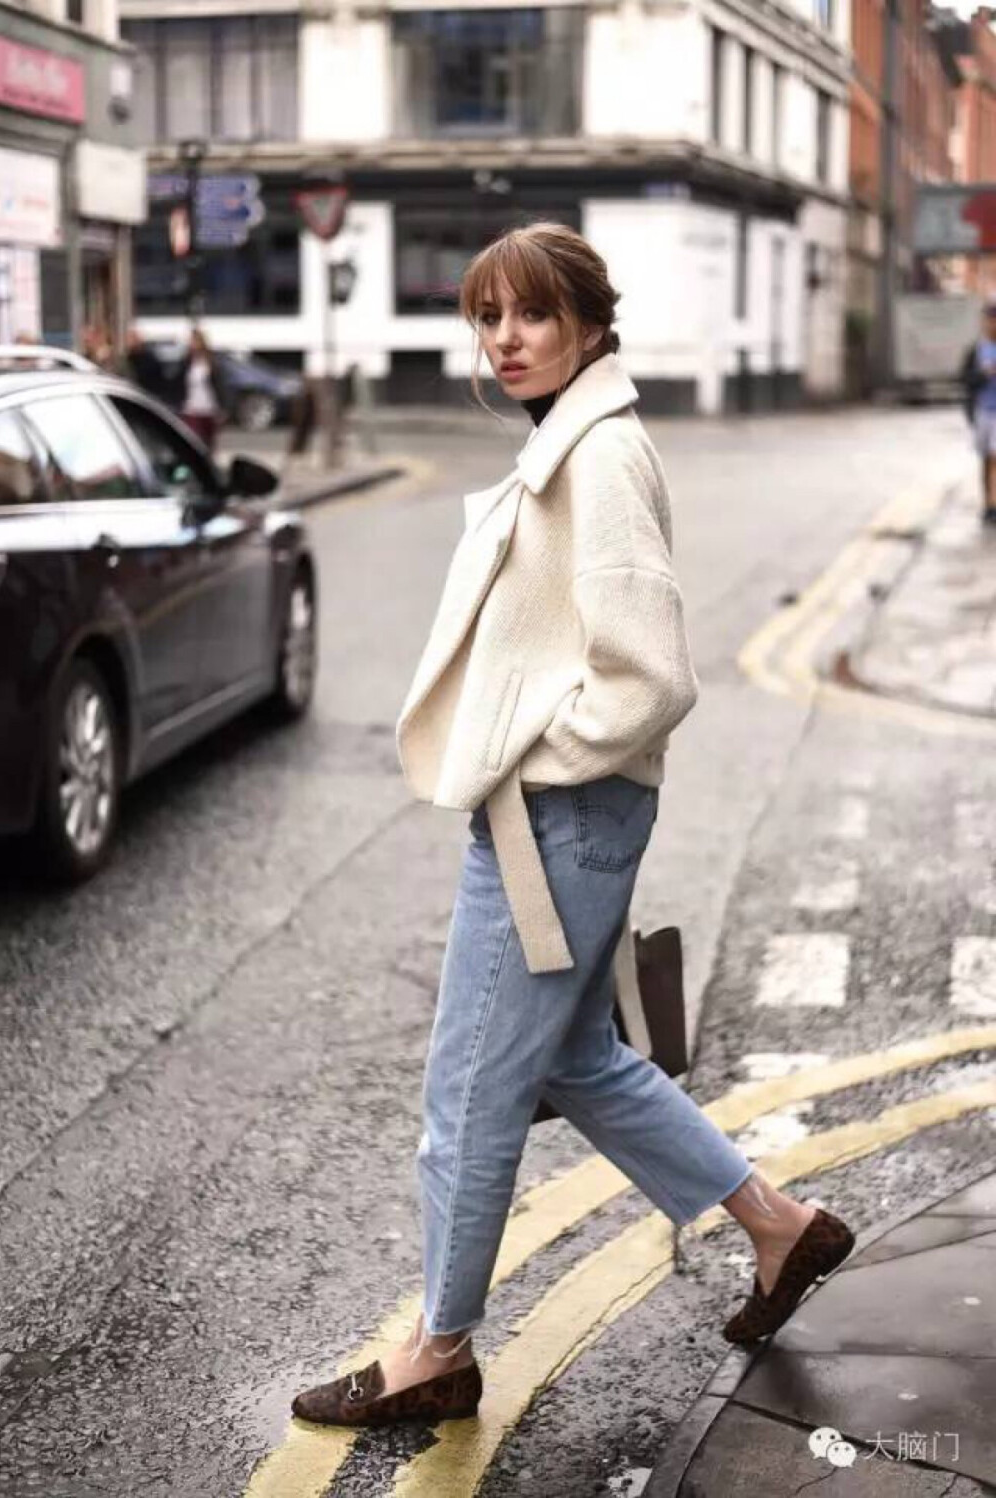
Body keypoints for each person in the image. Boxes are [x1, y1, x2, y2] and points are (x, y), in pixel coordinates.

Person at [290, 223, 855, 1429]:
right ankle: (779, 1226)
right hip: (560, 814)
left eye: (531, 316)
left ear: (591, 326)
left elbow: (647, 674)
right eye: (487, 317)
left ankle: (437, 1348)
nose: (504, 340)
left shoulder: (597, 455)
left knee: (469, 1090)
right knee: (577, 1059)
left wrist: (531, 764)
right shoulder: (574, 437)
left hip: (554, 819)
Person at [960, 300, 996, 524]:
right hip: (983, 411)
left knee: (995, 457)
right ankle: (987, 503)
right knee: (985, 459)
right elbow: (965, 380)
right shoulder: (975, 350)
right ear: (983, 322)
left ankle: (994, 504)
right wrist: (984, 374)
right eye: (990, 320)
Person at [175, 327, 228, 453]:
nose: (192, 345)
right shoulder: (186, 362)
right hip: (191, 408)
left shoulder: (211, 362)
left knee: (209, 444)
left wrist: (223, 408)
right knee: (194, 441)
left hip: (209, 407)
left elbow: (219, 385)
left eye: (195, 341)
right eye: (191, 342)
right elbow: (178, 383)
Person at [122, 326, 169, 403]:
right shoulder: (126, 360)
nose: (130, 342)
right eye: (129, 339)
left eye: (133, 338)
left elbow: (158, 383)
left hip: (147, 399)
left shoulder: (150, 360)